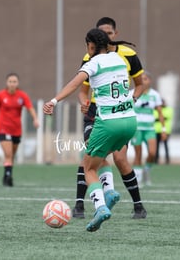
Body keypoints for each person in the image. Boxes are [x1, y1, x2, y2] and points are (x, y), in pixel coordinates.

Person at [43, 28, 144, 232]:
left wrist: (54, 101)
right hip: (130, 121)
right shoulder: (117, 58)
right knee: (101, 156)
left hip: (109, 122)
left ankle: (100, 207)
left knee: (88, 166)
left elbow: (74, 84)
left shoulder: (93, 63)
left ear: (90, 46)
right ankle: (109, 191)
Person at [73, 17, 147, 220]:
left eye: (109, 33)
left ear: (115, 34)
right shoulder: (90, 57)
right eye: (102, 33)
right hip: (96, 112)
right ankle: (80, 205)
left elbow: (140, 84)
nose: (106, 37)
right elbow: (83, 90)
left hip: (119, 113)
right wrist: (84, 102)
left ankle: (138, 206)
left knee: (120, 159)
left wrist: (131, 98)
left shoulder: (128, 55)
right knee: (91, 154)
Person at [0, 72, 39, 186]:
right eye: (10, 81)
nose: (12, 84)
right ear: (6, 83)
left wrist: (35, 119)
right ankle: (8, 177)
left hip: (17, 130)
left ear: (17, 83)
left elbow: (30, 108)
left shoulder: (22, 96)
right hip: (3, 128)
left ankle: (7, 175)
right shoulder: (1, 95)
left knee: (11, 155)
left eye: (14, 82)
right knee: (8, 154)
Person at [131, 72, 166, 185]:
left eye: (145, 79)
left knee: (152, 153)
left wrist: (163, 129)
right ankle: (138, 178)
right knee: (138, 154)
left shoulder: (155, 95)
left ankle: (146, 171)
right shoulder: (132, 93)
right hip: (136, 129)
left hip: (150, 129)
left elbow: (160, 113)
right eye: (141, 79)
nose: (143, 81)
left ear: (149, 81)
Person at [154, 99, 173, 164]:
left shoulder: (168, 109)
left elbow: (166, 117)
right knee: (156, 146)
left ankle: (167, 159)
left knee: (166, 145)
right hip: (156, 130)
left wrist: (159, 118)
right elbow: (155, 117)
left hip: (165, 131)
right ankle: (156, 160)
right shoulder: (156, 110)